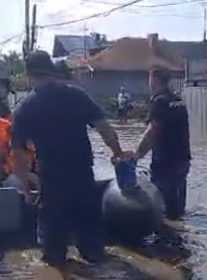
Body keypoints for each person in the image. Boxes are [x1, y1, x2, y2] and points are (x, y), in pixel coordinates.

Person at [10, 50, 130, 267]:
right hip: (82, 173)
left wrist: (26, 190)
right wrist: (118, 153)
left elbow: (17, 154)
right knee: (92, 243)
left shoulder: (25, 108)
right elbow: (104, 128)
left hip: (51, 178)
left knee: (54, 253)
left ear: (29, 74)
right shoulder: (77, 95)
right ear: (51, 70)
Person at [132, 67, 191, 221]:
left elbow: (152, 131)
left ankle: (168, 238)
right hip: (183, 160)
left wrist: (136, 156)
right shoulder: (178, 101)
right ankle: (181, 231)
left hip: (166, 161)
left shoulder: (159, 102)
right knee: (178, 205)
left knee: (162, 209)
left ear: (154, 80)